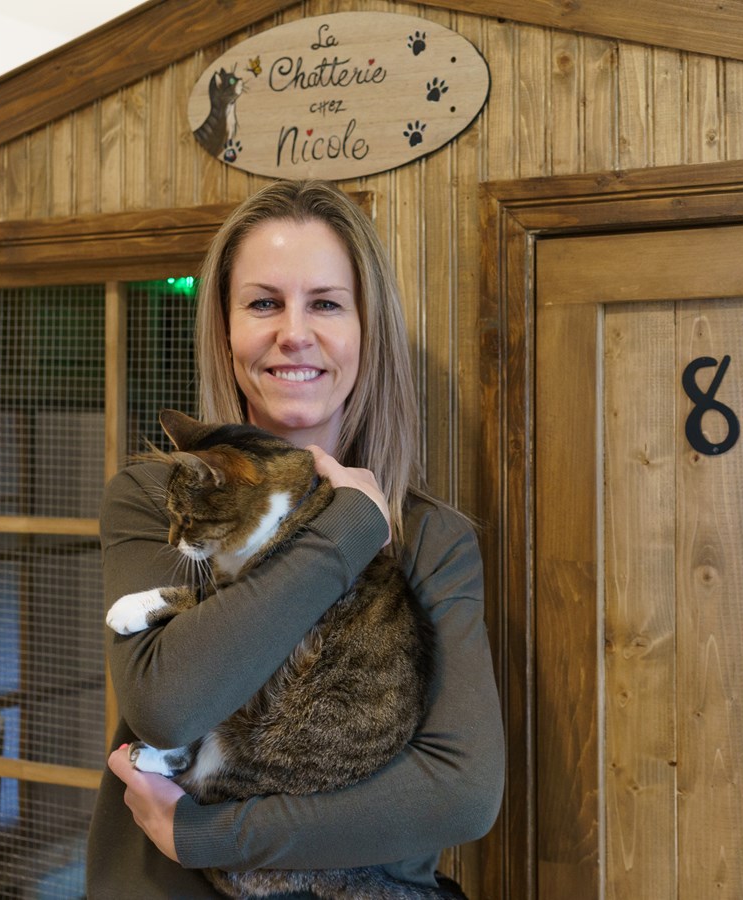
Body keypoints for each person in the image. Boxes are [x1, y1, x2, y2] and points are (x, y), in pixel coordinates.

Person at [86, 179, 505, 898]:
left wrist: (211, 834)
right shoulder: (159, 501)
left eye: (327, 303)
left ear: (367, 329)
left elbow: (460, 794)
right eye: (263, 303)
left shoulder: (433, 537)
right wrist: (348, 528)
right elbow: (167, 704)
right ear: (224, 330)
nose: (294, 333)